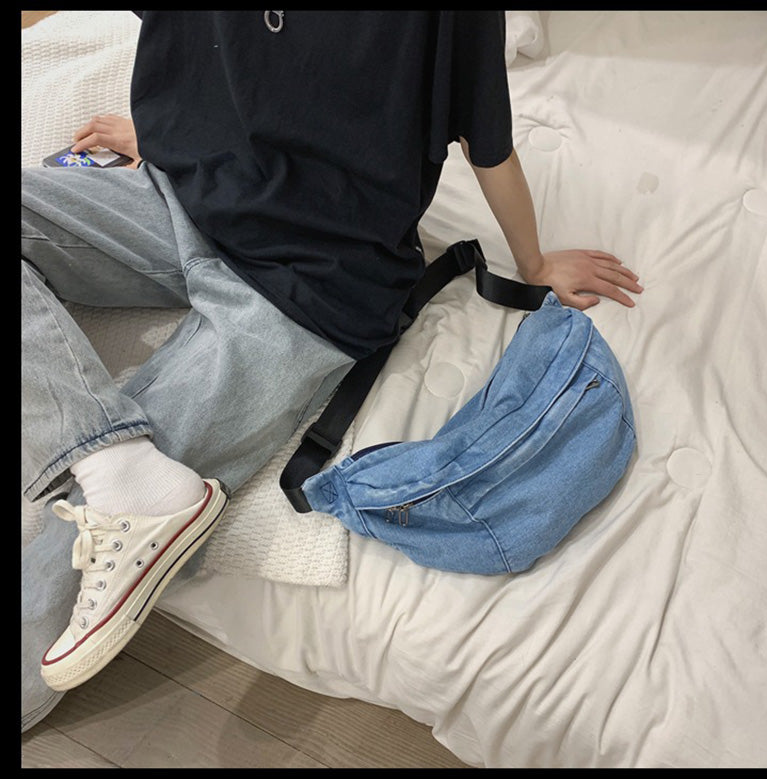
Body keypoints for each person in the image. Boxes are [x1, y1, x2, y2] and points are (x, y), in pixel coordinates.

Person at [21, 10, 642, 732]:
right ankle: (114, 461)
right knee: (129, 491)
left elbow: (485, 136)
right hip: (187, 191)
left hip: (316, 280)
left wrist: (532, 263)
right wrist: (168, 131)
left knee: (106, 528)